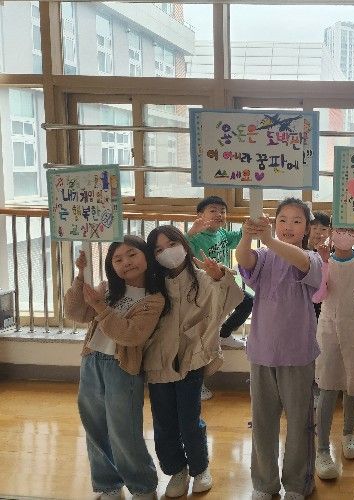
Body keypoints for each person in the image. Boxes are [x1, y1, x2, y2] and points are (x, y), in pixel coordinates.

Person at [145, 225, 243, 498]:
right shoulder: (152, 284)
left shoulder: (202, 277)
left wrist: (219, 277)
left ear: (184, 244)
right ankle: (177, 470)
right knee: (163, 422)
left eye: (171, 244)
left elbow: (229, 300)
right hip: (158, 361)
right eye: (159, 249)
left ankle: (200, 469)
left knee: (189, 420)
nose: (167, 253)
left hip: (191, 360)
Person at [65, 236, 167, 500]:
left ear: (146, 256)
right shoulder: (108, 289)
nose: (126, 263)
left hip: (122, 369)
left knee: (125, 431)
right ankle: (108, 485)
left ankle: (143, 487)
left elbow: (130, 335)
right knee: (94, 428)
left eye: (132, 254)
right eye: (118, 259)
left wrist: (100, 306)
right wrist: (81, 275)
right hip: (91, 361)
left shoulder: (153, 299)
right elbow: (75, 313)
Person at [236, 198, 322, 500]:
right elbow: (244, 260)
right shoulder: (263, 256)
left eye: (297, 221)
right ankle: (264, 483)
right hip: (262, 352)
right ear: (274, 222)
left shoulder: (311, 257)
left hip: (297, 354)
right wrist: (247, 235)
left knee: (299, 423)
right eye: (283, 219)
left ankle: (297, 484)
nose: (289, 226)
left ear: (307, 229)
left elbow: (301, 263)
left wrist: (270, 239)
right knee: (262, 423)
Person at [312, 227, 354, 480]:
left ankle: (349, 434)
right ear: (332, 231)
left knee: (353, 384)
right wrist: (324, 264)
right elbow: (318, 296)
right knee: (327, 387)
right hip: (329, 328)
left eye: (351, 230)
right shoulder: (322, 259)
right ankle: (321, 448)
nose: (346, 234)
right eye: (341, 229)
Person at [187, 196, 254, 399]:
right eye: (213, 210)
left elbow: (241, 236)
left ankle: (225, 334)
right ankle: (197, 385)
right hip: (205, 291)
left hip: (223, 285)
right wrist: (191, 232)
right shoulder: (195, 238)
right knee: (203, 337)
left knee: (247, 301)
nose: (219, 214)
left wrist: (252, 222)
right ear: (200, 215)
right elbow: (181, 247)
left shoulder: (223, 234)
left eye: (222, 211)